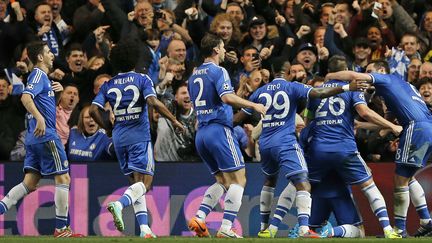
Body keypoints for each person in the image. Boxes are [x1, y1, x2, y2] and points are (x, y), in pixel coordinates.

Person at [233, 56, 368, 238]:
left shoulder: (259, 92)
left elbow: (238, 119)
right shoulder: (293, 87)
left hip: (265, 144)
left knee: (270, 182)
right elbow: (318, 94)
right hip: (286, 143)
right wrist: (346, 88)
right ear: (288, 72)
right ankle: (304, 229)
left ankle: (266, 228)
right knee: (302, 183)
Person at [89, 38, 184, 238]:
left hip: (119, 139)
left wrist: (107, 128)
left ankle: (144, 229)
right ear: (134, 59)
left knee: (136, 185)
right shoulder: (142, 79)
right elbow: (153, 102)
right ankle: (119, 203)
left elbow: (93, 109)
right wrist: (174, 120)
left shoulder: (108, 84)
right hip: (139, 137)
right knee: (146, 183)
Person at [326, 60, 432, 237]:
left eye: (369, 72)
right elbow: (389, 124)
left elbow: (354, 76)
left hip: (416, 127)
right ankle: (426, 221)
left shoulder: (387, 79)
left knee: (400, 179)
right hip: (427, 127)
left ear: (381, 70)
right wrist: (361, 124)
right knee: (408, 176)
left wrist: (330, 76)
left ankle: (399, 230)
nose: (366, 75)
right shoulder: (401, 87)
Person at [187, 33, 266, 238]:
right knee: (239, 181)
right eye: (222, 47)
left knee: (223, 181)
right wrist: (253, 104)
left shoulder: (194, 75)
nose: (224, 51)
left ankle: (200, 217)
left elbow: (217, 100)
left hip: (202, 134)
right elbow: (226, 98)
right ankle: (226, 227)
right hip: (219, 131)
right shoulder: (218, 70)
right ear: (215, 50)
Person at [0, 41, 81, 237]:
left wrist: (58, 92)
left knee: (29, 183)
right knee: (63, 178)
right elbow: (25, 97)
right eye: (48, 52)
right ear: (39, 57)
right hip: (46, 136)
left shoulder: (43, 78)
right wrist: (39, 118)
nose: (52, 55)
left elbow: (41, 103)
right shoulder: (38, 74)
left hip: (34, 139)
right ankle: (61, 229)